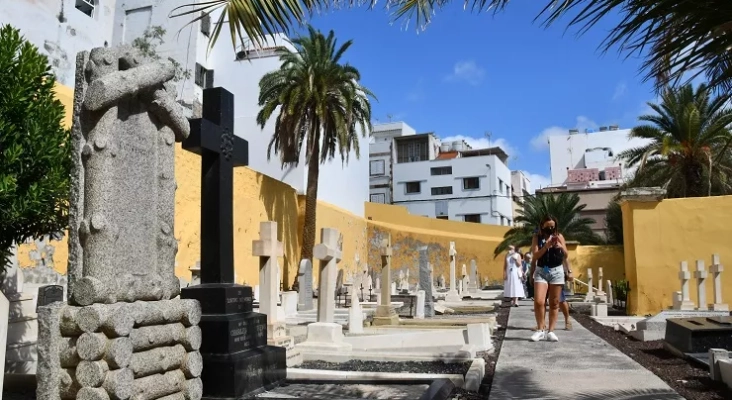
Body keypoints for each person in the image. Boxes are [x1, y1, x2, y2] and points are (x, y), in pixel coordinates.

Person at [530, 216, 569, 342]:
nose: (551, 229)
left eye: (553, 226)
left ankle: (551, 331)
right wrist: (546, 246)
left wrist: (560, 247)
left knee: (554, 302)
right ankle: (540, 329)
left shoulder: (559, 236)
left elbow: (566, 254)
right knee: (539, 301)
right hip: (542, 271)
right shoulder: (537, 238)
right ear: (542, 226)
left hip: (556, 271)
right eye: (548, 226)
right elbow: (535, 256)